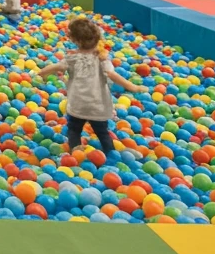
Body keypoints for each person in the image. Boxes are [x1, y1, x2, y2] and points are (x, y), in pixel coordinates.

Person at [32, 17, 142, 153]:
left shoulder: (72, 59)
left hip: (79, 105)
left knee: (74, 130)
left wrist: (41, 73)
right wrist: (132, 87)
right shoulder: (102, 59)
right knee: (102, 133)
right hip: (98, 106)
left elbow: (57, 67)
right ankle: (110, 153)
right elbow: (112, 75)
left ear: (75, 41)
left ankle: (76, 152)